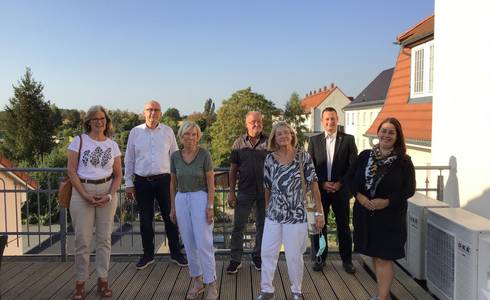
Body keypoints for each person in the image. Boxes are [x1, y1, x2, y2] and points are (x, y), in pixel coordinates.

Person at [347, 117, 415, 300]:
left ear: (397, 136)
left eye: (391, 132)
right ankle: (381, 294)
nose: (386, 135)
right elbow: (350, 179)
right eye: (383, 131)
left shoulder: (403, 161)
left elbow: (409, 189)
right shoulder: (365, 156)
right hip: (366, 214)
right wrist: (359, 196)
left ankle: (383, 298)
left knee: (384, 257)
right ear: (378, 133)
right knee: (375, 256)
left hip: (390, 217)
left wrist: (386, 201)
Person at [257, 122, 324, 300]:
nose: (283, 136)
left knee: (294, 255)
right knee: (267, 252)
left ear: (292, 135)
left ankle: (296, 291)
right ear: (274, 138)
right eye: (279, 134)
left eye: (286, 133)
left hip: (297, 214)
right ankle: (267, 290)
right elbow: (267, 187)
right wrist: (267, 208)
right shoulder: (270, 159)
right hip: (274, 213)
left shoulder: (303, 156)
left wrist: (319, 212)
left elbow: (314, 186)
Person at [67, 105, 122, 299]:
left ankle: (102, 280)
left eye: (103, 119)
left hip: (107, 192)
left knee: (104, 240)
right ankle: (80, 283)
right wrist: (84, 194)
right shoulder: (79, 141)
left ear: (107, 122)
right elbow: (72, 172)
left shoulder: (113, 145)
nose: (100, 122)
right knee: (82, 240)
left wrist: (109, 195)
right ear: (89, 121)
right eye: (96, 119)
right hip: (82, 192)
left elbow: (118, 175)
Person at [124, 100, 187, 270]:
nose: (153, 113)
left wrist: (178, 180)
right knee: (145, 220)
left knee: (171, 217)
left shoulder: (167, 132)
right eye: (149, 110)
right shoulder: (135, 132)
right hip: (142, 182)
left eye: (156, 110)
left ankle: (176, 253)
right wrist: (128, 183)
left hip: (165, 182)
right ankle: (148, 255)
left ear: (161, 113)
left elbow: (175, 157)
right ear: (144, 113)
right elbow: (129, 158)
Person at [169, 121, 218, 300]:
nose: (190, 137)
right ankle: (197, 282)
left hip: (200, 198)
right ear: (181, 136)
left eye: (194, 134)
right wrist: (173, 207)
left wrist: (210, 206)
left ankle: (211, 283)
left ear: (198, 137)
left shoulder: (204, 154)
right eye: (187, 134)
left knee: (204, 243)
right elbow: (172, 183)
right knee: (189, 243)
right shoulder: (174, 156)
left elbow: (211, 183)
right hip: (181, 199)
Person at [308, 107, 358, 273]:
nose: (330, 122)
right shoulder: (314, 141)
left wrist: (340, 183)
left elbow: (353, 166)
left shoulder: (348, 140)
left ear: (338, 120)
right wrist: (322, 183)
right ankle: (320, 258)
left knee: (343, 226)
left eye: (333, 119)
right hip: (320, 191)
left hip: (341, 191)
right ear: (322, 122)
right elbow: (311, 167)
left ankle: (347, 261)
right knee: (319, 226)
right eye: (327, 119)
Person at [227, 111, 268, 273]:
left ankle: (257, 257)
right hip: (244, 191)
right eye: (253, 122)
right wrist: (231, 192)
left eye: (259, 121)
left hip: (265, 192)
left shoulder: (269, 143)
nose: (256, 124)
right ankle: (235, 260)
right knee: (238, 226)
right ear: (246, 124)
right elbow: (232, 170)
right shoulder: (238, 143)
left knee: (262, 226)